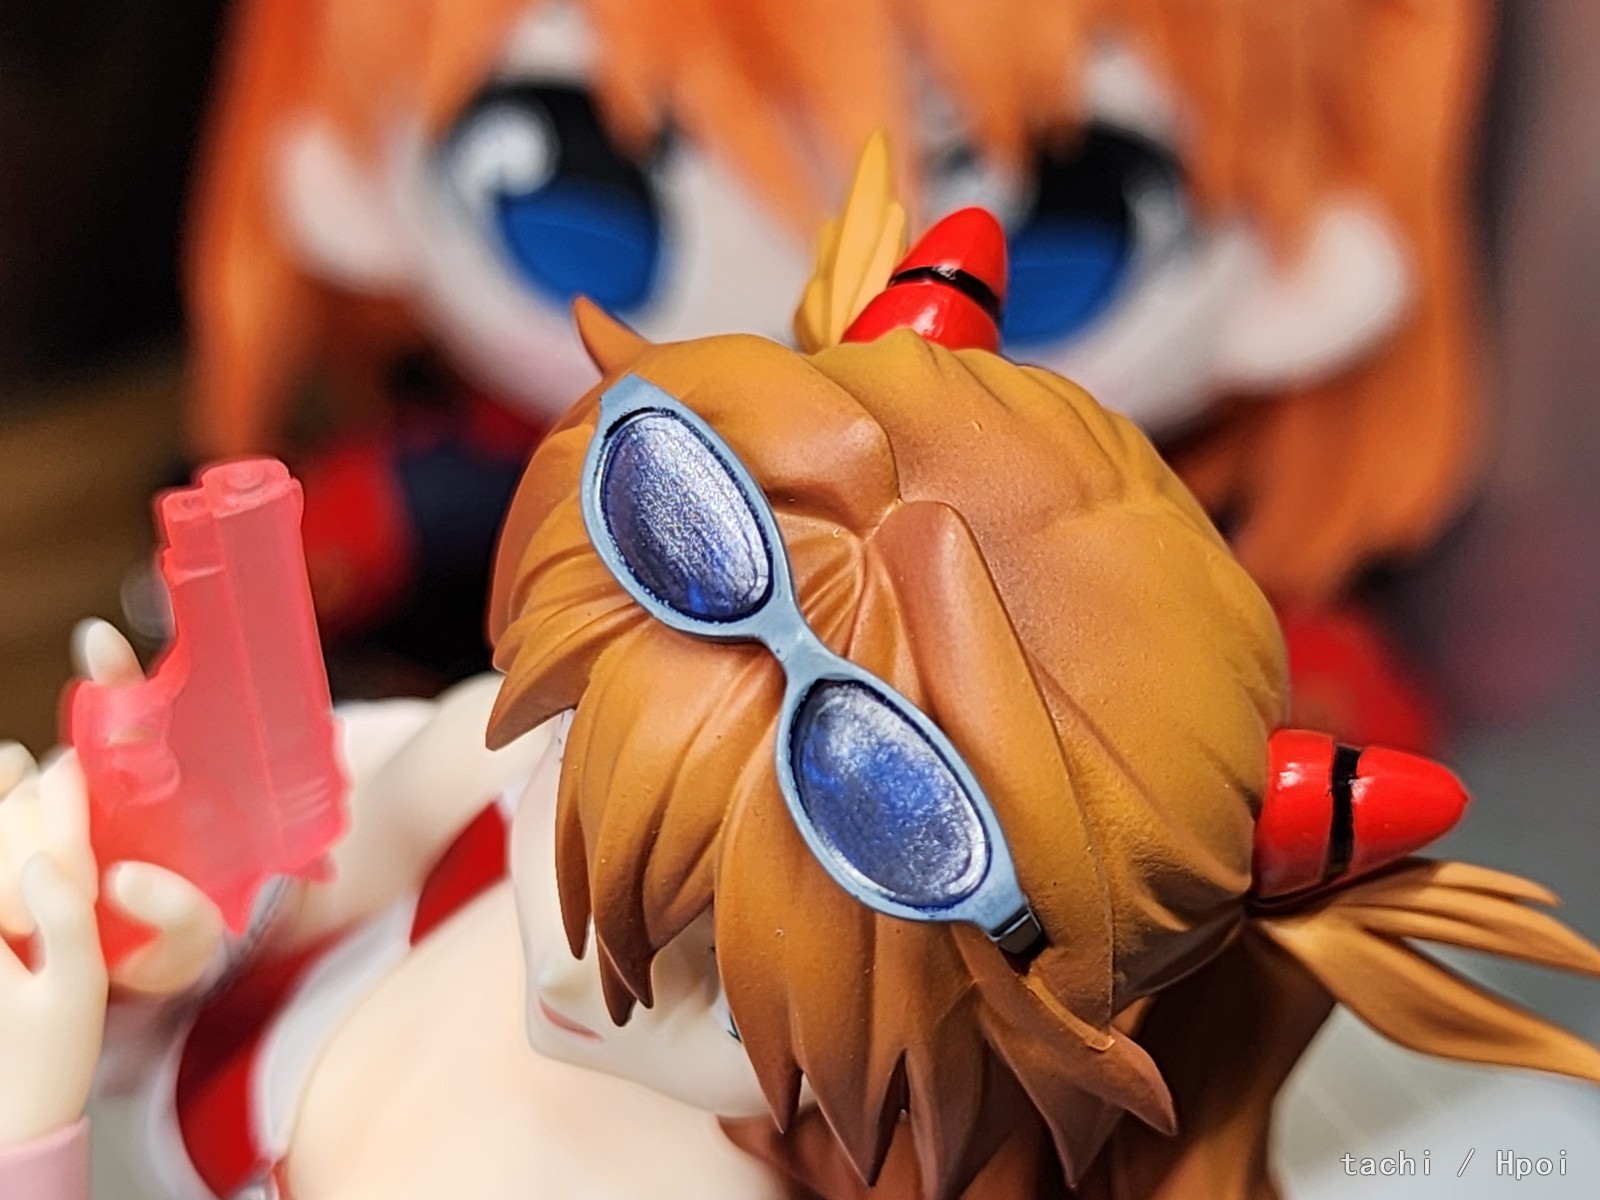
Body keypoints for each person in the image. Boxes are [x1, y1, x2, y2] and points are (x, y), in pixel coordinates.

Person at [3, 184, 1594, 1199]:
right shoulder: (512, 774)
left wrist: (33, 1131)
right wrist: (169, 914)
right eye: (586, 777)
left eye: (712, 972)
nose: (588, 965)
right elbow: (328, 852)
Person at [187, 0, 1487, 740]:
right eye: (575, 177)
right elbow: (357, 528)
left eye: (1058, 215)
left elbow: (1315, 707)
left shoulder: (1123, 560)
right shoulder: (546, 475)